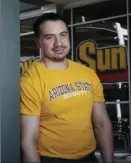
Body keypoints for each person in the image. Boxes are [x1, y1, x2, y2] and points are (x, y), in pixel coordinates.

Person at [20, 13, 114, 163]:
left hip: (89, 158)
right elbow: (28, 142)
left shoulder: (87, 74)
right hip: (52, 159)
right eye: (49, 37)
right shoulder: (31, 80)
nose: (59, 43)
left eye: (63, 35)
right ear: (38, 43)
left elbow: (101, 123)